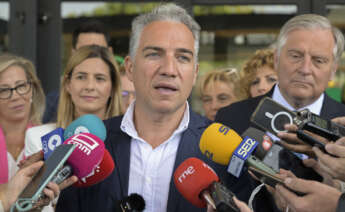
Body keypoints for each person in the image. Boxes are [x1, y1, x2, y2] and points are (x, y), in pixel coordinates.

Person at [56, 4, 253, 212]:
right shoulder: (91, 147)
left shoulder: (225, 155)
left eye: (182, 57)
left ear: (194, 73)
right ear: (130, 68)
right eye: (154, 54)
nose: (168, 70)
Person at [215, 14, 345, 212]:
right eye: (295, 56)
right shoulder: (231, 117)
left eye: (319, 60)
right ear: (276, 59)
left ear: (333, 70)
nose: (305, 69)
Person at [25, 45, 122, 156]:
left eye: (100, 78)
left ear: (113, 87)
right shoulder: (40, 139)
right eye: (81, 77)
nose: (89, 86)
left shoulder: (128, 142)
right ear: (68, 84)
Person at [43, 20, 115, 123]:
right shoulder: (52, 104)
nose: (92, 54)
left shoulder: (129, 104)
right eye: (84, 50)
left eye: (99, 49)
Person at [0, 54, 45, 184]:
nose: (15, 96)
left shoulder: (48, 138)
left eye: (21, 86)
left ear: (32, 89)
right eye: (4, 90)